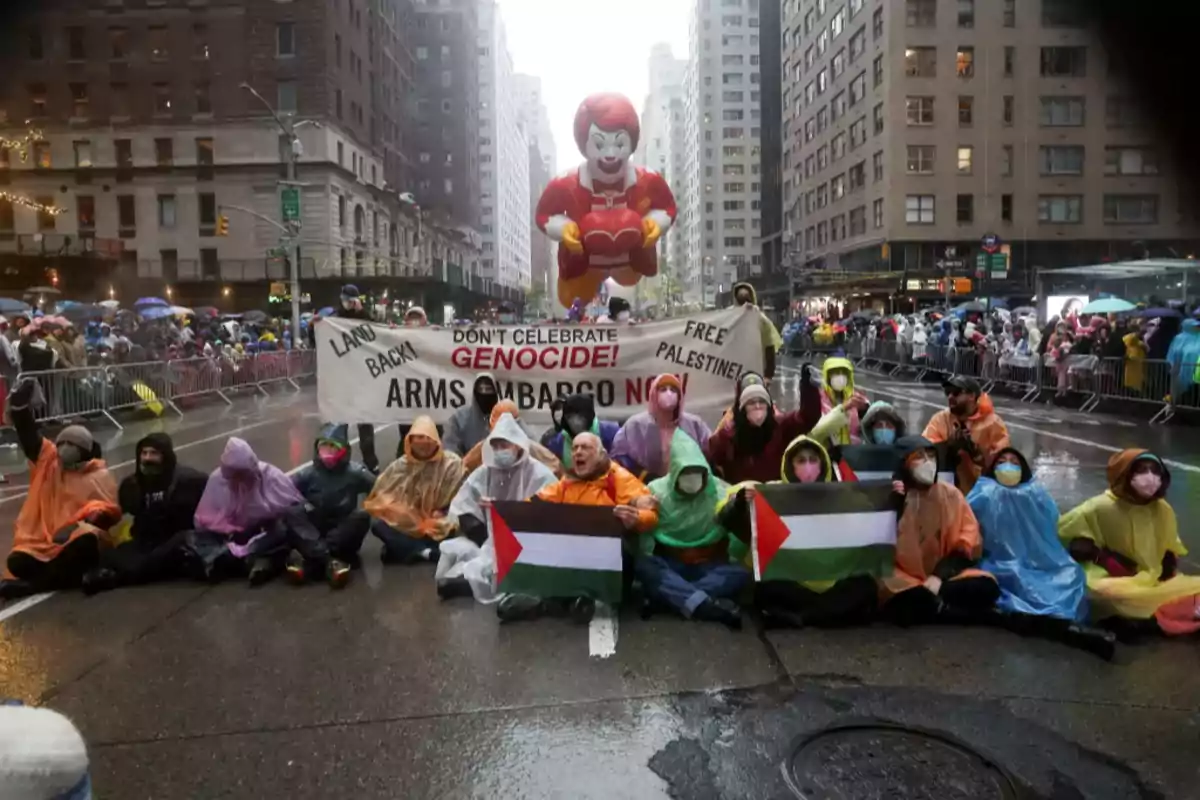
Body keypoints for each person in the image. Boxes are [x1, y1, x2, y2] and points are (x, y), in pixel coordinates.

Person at [718, 435, 877, 628]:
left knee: (865, 586)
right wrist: (739, 504)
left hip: (833, 579)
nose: (808, 466)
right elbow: (727, 521)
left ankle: (804, 617)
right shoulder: (772, 493)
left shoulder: (842, 496)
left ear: (822, 463)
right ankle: (827, 615)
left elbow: (873, 522)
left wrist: (895, 499)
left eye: (813, 460)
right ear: (790, 465)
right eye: (801, 460)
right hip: (793, 581)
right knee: (765, 588)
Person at [497, 432, 658, 622]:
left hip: (612, 562)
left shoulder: (619, 479)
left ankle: (554, 601)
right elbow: (534, 504)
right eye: (574, 448)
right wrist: (505, 511)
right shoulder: (566, 483)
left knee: (618, 546)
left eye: (585, 448)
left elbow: (651, 513)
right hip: (575, 559)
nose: (578, 452)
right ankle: (572, 601)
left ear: (601, 454)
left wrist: (636, 519)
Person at [1058, 449, 1200, 639]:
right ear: (1125, 474)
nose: (1150, 477)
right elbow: (1063, 536)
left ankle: (1151, 620)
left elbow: (1170, 544)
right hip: (1112, 580)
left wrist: (1168, 560)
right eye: (1141, 470)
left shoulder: (1162, 509)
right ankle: (1163, 619)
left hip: (1153, 577)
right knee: (1111, 595)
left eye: (1155, 471)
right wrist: (1099, 556)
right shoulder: (1100, 506)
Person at [0, 379, 121, 599]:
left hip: (76, 539)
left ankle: (34, 586)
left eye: (71, 445)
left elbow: (108, 510)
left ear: (83, 449)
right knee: (17, 560)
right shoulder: (49, 463)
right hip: (46, 543)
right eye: (61, 443)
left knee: (86, 541)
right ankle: (68, 578)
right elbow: (30, 438)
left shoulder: (98, 474)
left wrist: (83, 521)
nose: (63, 449)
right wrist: (20, 409)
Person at [634, 430, 748, 629]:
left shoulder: (720, 491)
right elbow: (644, 534)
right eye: (685, 472)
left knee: (741, 572)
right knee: (645, 565)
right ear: (675, 471)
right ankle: (706, 604)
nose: (692, 478)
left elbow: (736, 534)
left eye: (697, 472)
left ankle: (669, 599)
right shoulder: (655, 491)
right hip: (671, 564)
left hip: (709, 565)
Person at [882, 436, 999, 626]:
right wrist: (895, 506)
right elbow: (878, 548)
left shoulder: (950, 494)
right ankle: (951, 609)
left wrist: (939, 576)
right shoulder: (891, 496)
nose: (928, 463)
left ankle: (938, 603)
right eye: (919, 457)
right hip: (904, 578)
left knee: (987, 586)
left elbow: (969, 539)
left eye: (931, 455)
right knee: (904, 601)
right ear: (904, 463)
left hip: (945, 576)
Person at [440, 413, 558, 600]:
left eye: (504, 445)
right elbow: (463, 501)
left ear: (517, 445)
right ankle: (478, 580)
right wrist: (476, 519)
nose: (499, 451)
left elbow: (547, 513)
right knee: (474, 557)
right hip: (492, 539)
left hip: (527, 540)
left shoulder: (538, 474)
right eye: (495, 446)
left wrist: (503, 508)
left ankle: (477, 584)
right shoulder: (487, 470)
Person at [85, 433, 209, 594]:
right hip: (145, 541)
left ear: (165, 455)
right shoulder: (133, 484)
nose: (147, 458)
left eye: (153, 453)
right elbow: (119, 512)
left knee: (179, 545)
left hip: (172, 539)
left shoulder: (188, 480)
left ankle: (118, 576)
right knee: (110, 554)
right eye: (144, 453)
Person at [192, 437, 307, 586]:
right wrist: (229, 529)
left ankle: (239, 559)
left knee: (283, 531)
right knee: (195, 539)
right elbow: (205, 519)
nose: (239, 478)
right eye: (234, 473)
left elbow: (293, 509)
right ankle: (254, 560)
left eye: (242, 473)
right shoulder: (218, 479)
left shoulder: (270, 476)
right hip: (233, 534)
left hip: (266, 532)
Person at [283, 424, 377, 588]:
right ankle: (329, 561)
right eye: (323, 446)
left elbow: (381, 491)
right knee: (291, 512)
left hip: (343, 532)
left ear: (343, 450)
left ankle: (312, 562)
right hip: (316, 529)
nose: (327, 451)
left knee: (362, 516)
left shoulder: (356, 472)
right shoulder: (308, 474)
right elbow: (283, 493)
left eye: (333, 446)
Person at [362, 416, 465, 564]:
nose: (424, 443)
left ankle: (406, 550)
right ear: (410, 440)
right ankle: (426, 552)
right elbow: (382, 497)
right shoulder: (399, 467)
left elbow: (461, 497)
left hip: (439, 522)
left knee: (456, 524)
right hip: (409, 524)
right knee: (379, 525)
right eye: (419, 437)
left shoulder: (452, 464)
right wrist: (404, 513)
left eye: (428, 437)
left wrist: (443, 511)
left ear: (436, 439)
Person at [708, 380, 844, 485]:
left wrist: (808, 387)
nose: (757, 406)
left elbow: (807, 418)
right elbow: (708, 461)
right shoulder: (727, 435)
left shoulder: (780, 426)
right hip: (740, 506)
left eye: (762, 401)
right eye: (751, 402)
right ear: (742, 407)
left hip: (775, 501)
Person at [610, 374, 712, 481]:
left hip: (689, 485)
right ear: (654, 394)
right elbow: (619, 457)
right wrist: (644, 476)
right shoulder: (635, 425)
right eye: (663, 389)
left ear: (680, 396)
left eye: (673, 390)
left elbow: (710, 451)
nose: (669, 394)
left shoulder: (694, 424)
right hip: (645, 487)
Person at [922, 375, 1010, 494]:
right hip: (946, 489)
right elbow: (924, 452)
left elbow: (1003, 463)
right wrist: (948, 446)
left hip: (982, 493)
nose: (950, 397)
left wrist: (976, 453)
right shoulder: (940, 419)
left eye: (956, 392)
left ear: (972, 396)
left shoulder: (993, 423)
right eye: (947, 392)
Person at [461, 399, 562, 477]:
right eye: (496, 445)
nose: (500, 448)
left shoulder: (531, 448)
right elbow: (462, 470)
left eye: (504, 444)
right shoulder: (482, 449)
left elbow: (556, 471)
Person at [543, 393, 621, 469]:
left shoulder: (612, 433)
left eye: (580, 417)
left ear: (589, 415)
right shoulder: (555, 442)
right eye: (570, 417)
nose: (575, 422)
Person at [732, 282, 783, 380]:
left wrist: (768, 375)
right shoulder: (729, 318)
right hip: (733, 374)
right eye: (741, 299)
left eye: (746, 298)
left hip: (757, 374)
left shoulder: (761, 320)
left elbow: (769, 348)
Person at [442, 373, 500, 457]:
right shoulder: (459, 418)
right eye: (481, 389)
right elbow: (450, 451)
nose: (484, 393)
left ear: (495, 391)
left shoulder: (505, 415)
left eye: (488, 389)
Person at [817, 356, 869, 446]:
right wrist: (843, 408)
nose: (840, 377)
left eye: (843, 373)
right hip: (828, 451)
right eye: (836, 373)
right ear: (827, 376)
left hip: (851, 453)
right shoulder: (818, 399)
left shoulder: (855, 398)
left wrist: (866, 410)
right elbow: (818, 430)